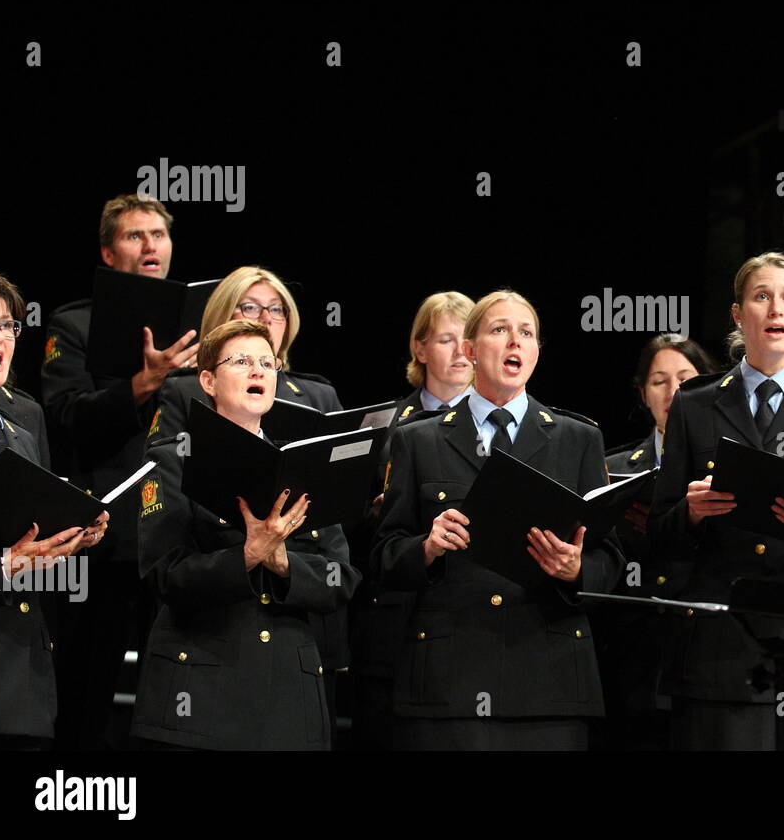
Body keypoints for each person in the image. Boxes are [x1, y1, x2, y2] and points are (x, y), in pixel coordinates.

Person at [372, 290, 624, 750]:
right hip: (449, 683)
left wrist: (577, 571)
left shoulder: (579, 439)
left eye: (526, 333)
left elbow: (611, 561)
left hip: (549, 683)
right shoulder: (418, 440)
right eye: (499, 330)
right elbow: (384, 558)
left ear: (536, 352)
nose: (515, 341)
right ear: (469, 350)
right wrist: (426, 548)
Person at [649, 252, 784, 750]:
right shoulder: (694, 403)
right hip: (721, 652)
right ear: (737, 315)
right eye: (762, 297)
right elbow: (659, 533)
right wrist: (691, 515)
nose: (776, 310)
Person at [132, 319, 358, 750]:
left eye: (266, 363)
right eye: (241, 361)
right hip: (199, 690)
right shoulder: (174, 459)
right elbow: (164, 575)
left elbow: (341, 579)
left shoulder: (306, 465)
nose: (258, 371)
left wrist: (282, 561)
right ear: (208, 380)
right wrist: (247, 555)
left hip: (289, 702)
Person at [41, 193, 194, 750]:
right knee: (84, 697)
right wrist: (143, 384)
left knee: (179, 698)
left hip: (178, 537)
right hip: (101, 538)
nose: (151, 245)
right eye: (135, 235)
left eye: (159, 234)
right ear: (109, 253)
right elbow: (64, 417)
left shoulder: (202, 328)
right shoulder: (74, 322)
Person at [0, 265, 107, 750]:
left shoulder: (24, 416)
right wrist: (3, 567)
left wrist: (72, 532)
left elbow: (30, 532)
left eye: (6, 325)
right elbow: (9, 560)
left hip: (21, 676)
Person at [348, 290, 474, 750]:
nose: (461, 352)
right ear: (419, 348)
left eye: (468, 339)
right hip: (390, 625)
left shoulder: (500, 426)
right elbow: (342, 528)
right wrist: (376, 511)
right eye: (446, 339)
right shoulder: (378, 425)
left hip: (469, 626)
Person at [593, 332, 715, 751]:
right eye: (659, 381)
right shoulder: (610, 468)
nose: (673, 391)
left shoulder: (727, 467)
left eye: (685, 378)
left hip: (709, 655)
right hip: (633, 661)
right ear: (643, 393)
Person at [146, 266, 342, 446]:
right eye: (250, 308)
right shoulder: (184, 390)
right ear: (222, 317)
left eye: (276, 309)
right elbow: (167, 469)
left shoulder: (320, 395)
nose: (266, 319)